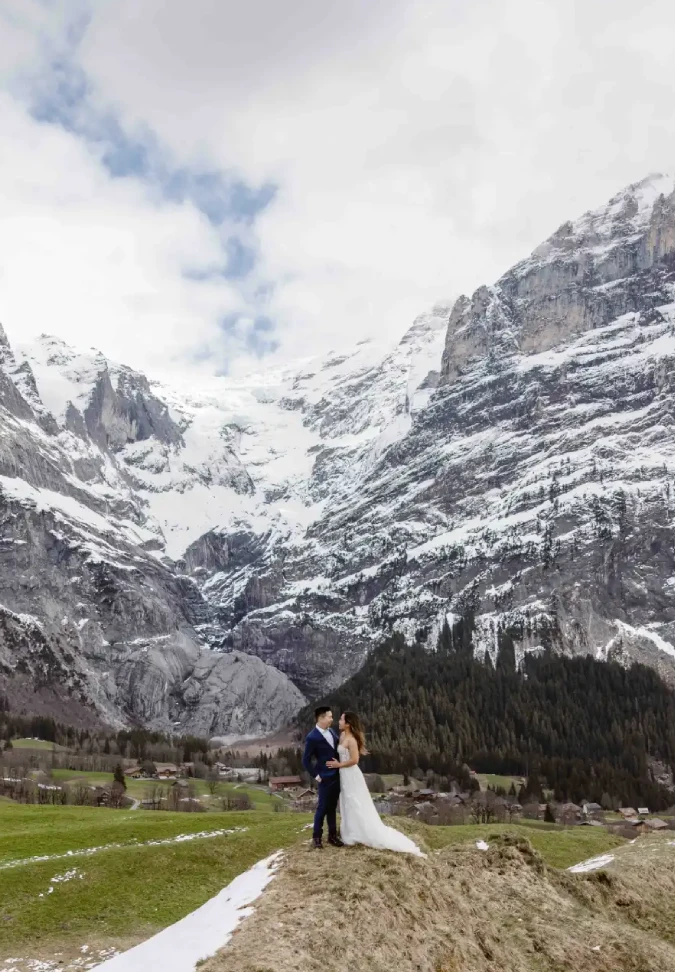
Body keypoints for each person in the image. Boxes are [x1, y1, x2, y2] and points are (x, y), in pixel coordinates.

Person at [325, 711, 424, 856]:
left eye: (341, 719)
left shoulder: (351, 739)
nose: (338, 721)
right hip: (344, 774)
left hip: (351, 774)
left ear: (348, 724)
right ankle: (350, 831)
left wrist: (339, 765)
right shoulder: (342, 735)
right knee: (347, 801)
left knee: (355, 801)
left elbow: (355, 760)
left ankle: (360, 832)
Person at [302, 706, 344, 850]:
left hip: (337, 776)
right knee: (322, 808)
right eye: (330, 717)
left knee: (332, 807)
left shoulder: (332, 731)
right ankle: (316, 838)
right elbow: (305, 760)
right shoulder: (312, 737)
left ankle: (332, 836)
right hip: (324, 778)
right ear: (321, 718)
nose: (332, 719)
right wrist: (317, 776)